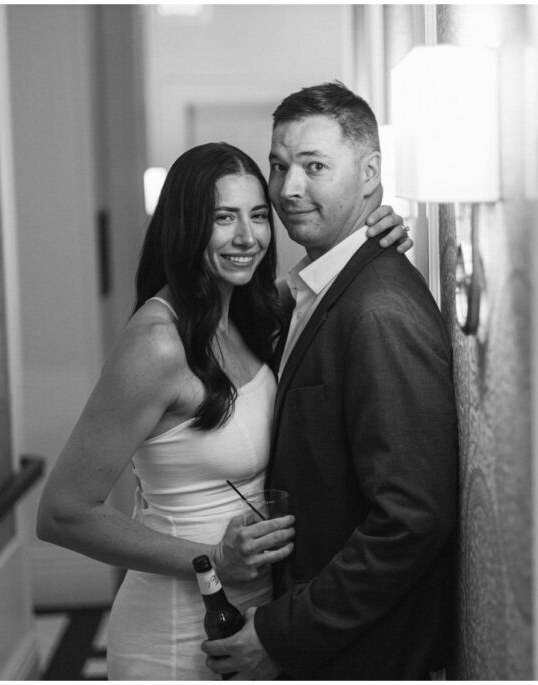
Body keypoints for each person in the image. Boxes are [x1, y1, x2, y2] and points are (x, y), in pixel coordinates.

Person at [35, 141, 412, 680]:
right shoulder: (157, 346)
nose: (247, 238)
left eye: (259, 216)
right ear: (187, 226)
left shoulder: (253, 313)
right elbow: (62, 513)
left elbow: (323, 278)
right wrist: (212, 556)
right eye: (223, 218)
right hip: (174, 629)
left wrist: (375, 234)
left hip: (254, 617)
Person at [201, 82, 459, 679]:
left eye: (315, 167)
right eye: (279, 166)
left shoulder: (379, 310)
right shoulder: (315, 288)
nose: (288, 189)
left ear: (370, 173)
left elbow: (411, 518)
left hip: (364, 655)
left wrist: (281, 633)